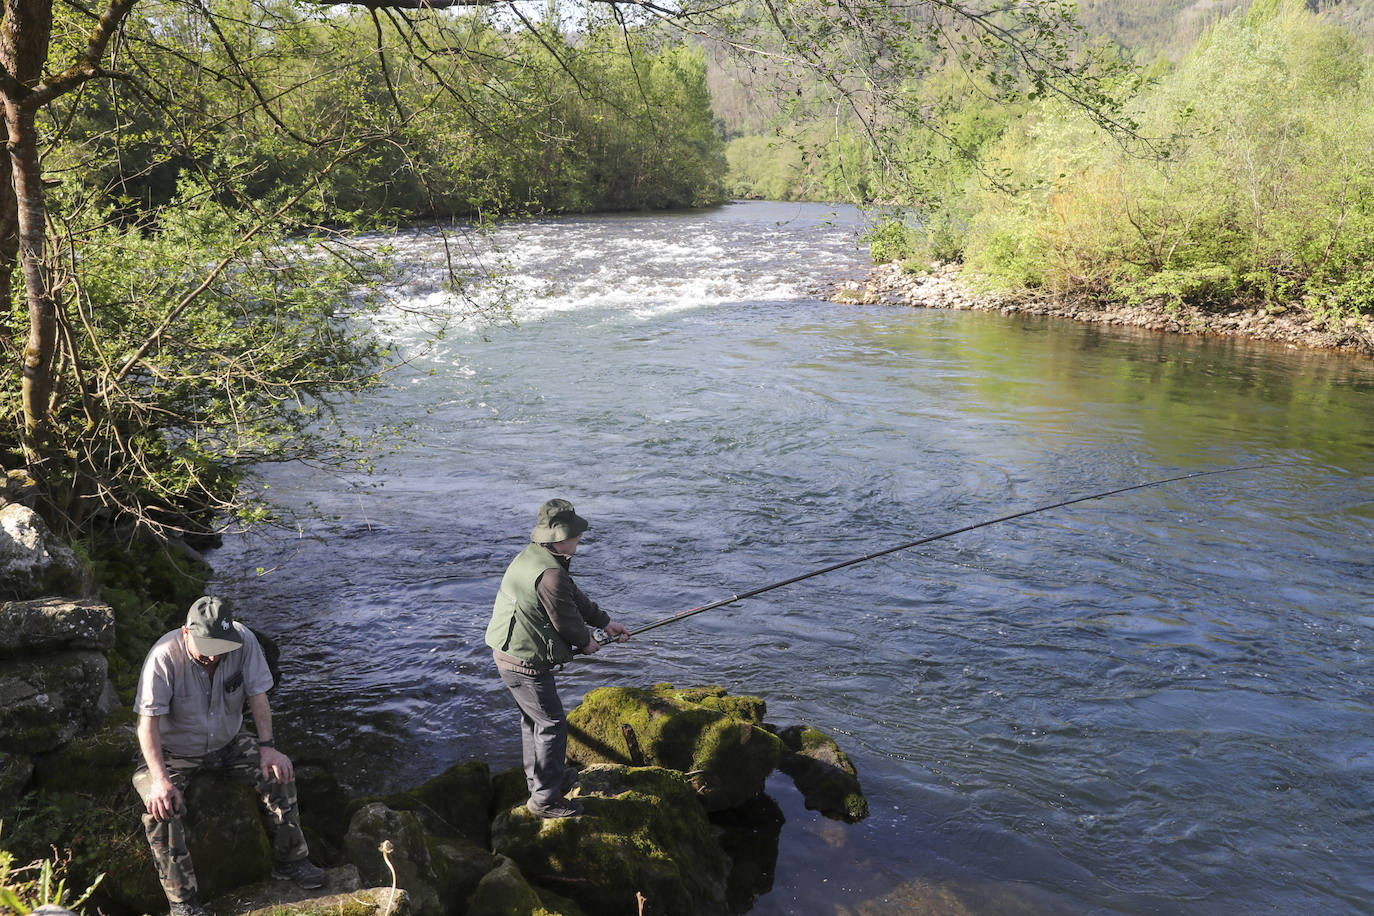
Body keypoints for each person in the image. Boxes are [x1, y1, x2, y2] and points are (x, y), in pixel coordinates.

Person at [133, 596, 327, 916]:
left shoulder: (244, 640)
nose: (214, 656)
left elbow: (258, 695)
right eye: (207, 647)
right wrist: (159, 779)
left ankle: (291, 861)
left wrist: (268, 747)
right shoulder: (163, 657)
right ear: (186, 633)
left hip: (229, 741)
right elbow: (146, 724)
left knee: (277, 772)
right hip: (173, 751)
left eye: (221, 646)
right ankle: (184, 904)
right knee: (161, 810)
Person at [486, 498, 630, 818]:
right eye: (576, 535)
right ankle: (544, 801)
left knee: (533, 721)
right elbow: (565, 620)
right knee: (552, 725)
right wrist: (587, 642)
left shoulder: (536, 557)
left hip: (508, 653)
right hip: (523, 662)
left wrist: (604, 623)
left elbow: (573, 597)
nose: (579, 540)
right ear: (560, 538)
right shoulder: (550, 574)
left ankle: (541, 782)